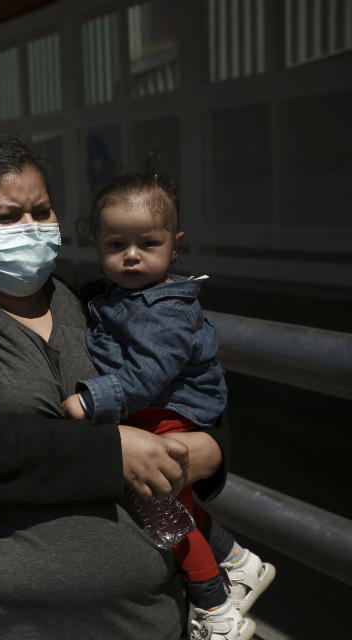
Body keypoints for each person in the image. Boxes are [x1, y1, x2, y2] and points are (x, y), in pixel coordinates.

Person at [0, 136, 229, 640]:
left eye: (42, 211)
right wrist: (107, 451)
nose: (30, 229)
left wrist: (212, 448)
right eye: (7, 217)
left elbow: (181, 383)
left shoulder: (95, 299)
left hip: (150, 616)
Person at [60, 167, 274, 637]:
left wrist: (90, 400)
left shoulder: (166, 311)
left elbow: (146, 376)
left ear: (175, 244)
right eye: (116, 245)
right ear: (95, 242)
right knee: (174, 504)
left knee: (161, 511)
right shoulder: (117, 296)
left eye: (148, 244)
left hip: (171, 414)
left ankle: (215, 609)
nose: (131, 257)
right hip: (156, 413)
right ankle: (237, 561)